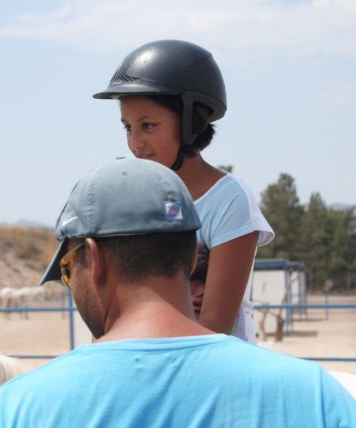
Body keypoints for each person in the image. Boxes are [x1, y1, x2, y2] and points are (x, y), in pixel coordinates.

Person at [0, 158, 356, 427]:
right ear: (190, 257)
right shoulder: (316, 398)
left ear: (95, 259)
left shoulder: (16, 410)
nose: (73, 286)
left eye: (68, 270)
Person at [93, 39, 274, 343]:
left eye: (148, 125)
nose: (135, 142)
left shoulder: (228, 200)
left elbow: (215, 324)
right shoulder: (134, 199)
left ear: (191, 123)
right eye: (127, 127)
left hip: (216, 369)